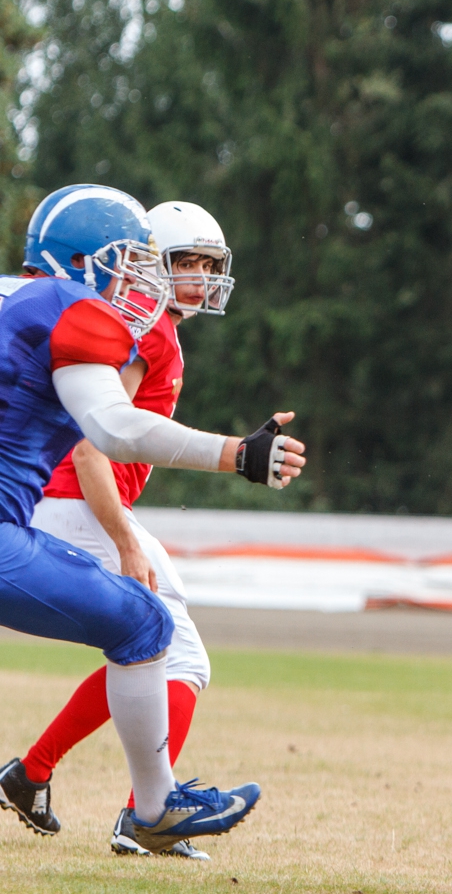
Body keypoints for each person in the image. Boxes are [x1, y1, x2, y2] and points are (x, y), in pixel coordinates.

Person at [0, 183, 303, 854]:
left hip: (37, 514)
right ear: (79, 262)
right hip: (60, 511)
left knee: (140, 631)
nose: (138, 278)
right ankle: (147, 811)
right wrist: (235, 455)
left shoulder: (22, 297)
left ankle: (46, 774)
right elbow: (106, 433)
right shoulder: (81, 311)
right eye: (129, 260)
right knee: (166, 641)